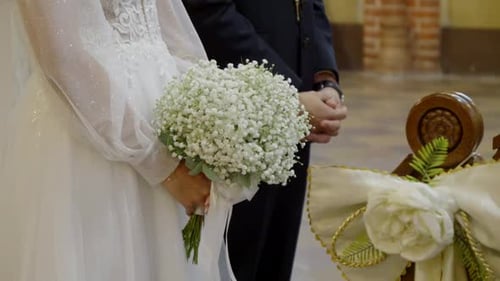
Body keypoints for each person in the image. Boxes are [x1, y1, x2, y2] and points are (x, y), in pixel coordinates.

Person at [0, 1, 345, 281]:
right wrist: (163, 167)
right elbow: (65, 59)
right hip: (94, 135)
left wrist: (218, 115)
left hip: (163, 119)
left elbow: (176, 36)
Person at [182, 1, 348, 280]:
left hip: (299, 106)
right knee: (238, 257)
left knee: (276, 256)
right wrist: (288, 95)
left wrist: (324, 76)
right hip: (235, 109)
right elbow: (209, 11)